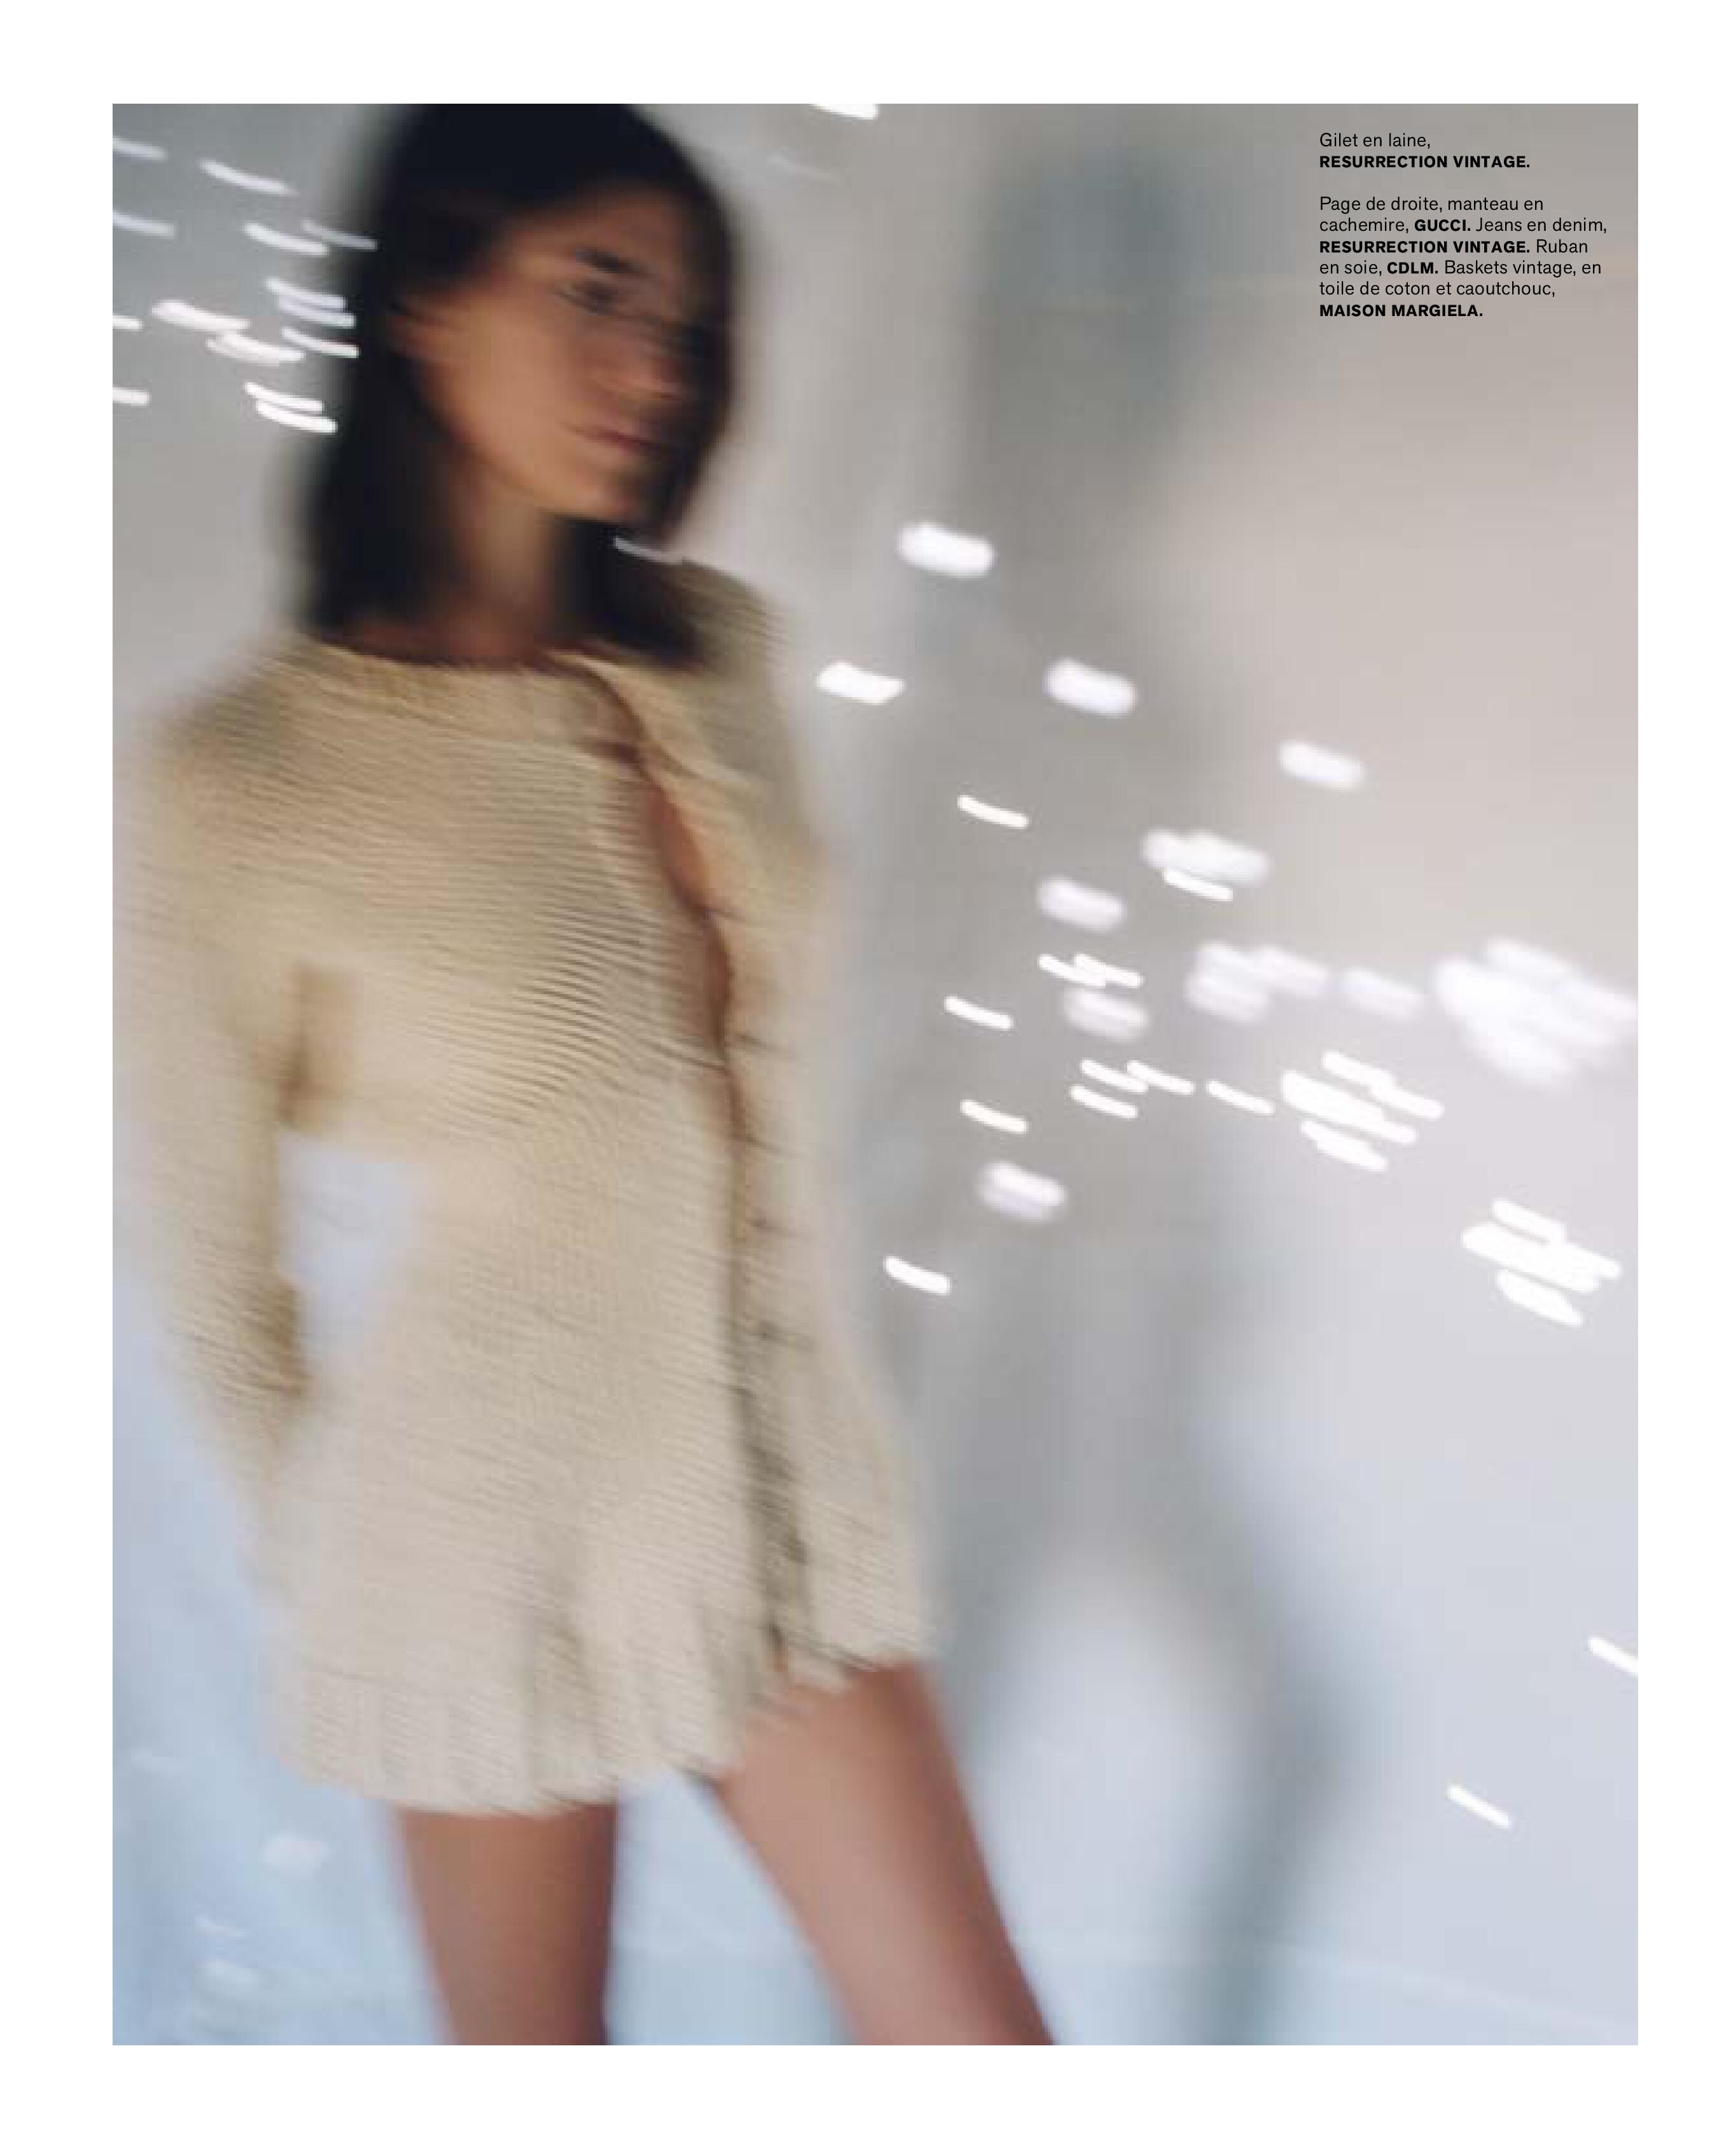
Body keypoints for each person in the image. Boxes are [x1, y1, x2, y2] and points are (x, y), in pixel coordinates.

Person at [115, 104, 1053, 2046]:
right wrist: (351, 1573)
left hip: (782, 1514)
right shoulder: (245, 777)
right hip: (479, 1543)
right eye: (598, 294)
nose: (654, 370)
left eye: (686, 324)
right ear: (426, 300)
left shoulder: (717, 654)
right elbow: (214, 1271)